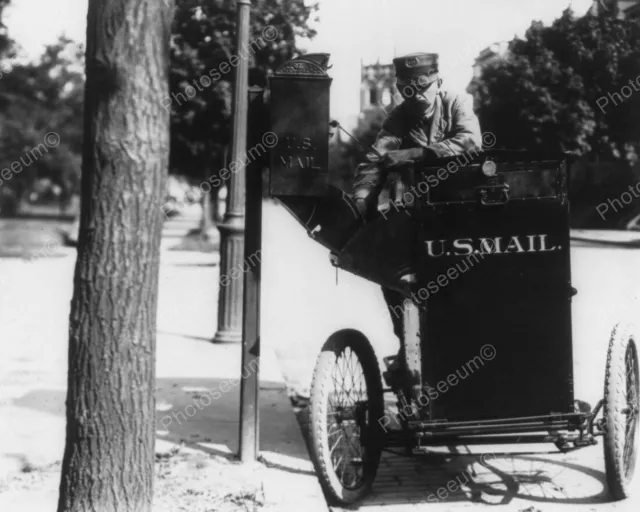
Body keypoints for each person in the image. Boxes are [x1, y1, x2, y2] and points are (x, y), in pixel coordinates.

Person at [351, 52, 482, 385]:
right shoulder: (399, 117)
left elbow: (470, 142)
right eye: (409, 91)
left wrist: (419, 154)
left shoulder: (456, 103)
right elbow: (377, 158)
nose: (417, 97)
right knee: (391, 273)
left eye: (422, 88)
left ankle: (467, 349)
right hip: (419, 213)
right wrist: (364, 194)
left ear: (436, 81)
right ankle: (407, 344)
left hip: (462, 210)